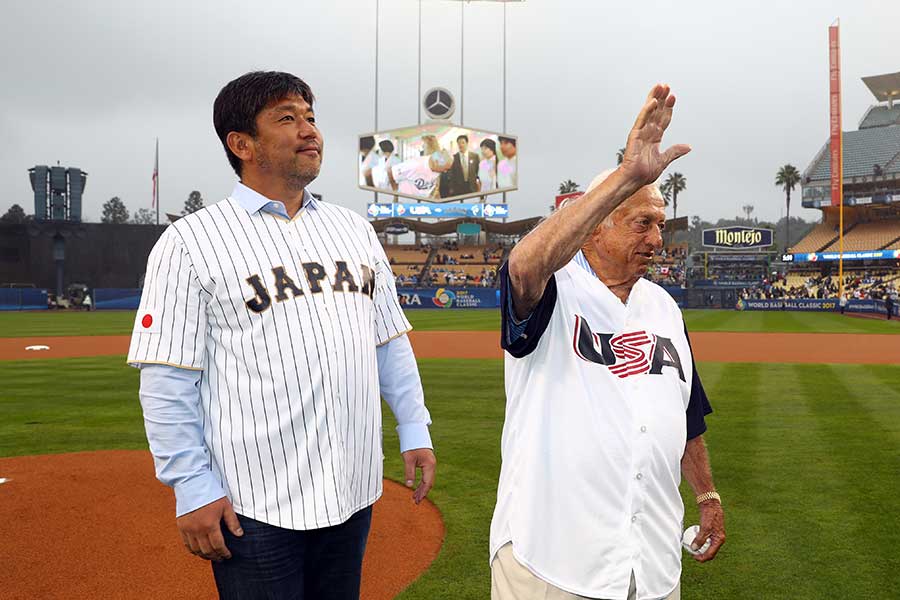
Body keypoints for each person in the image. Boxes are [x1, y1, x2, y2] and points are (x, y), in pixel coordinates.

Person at [128, 71, 436, 600]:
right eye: (287, 118)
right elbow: (167, 378)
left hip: (352, 492)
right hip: (255, 505)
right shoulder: (189, 242)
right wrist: (192, 486)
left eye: (311, 117)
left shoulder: (353, 229)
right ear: (241, 144)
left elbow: (388, 341)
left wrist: (414, 427)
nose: (309, 130)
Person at [491, 85, 725, 600]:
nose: (658, 240)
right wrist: (626, 177)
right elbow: (521, 268)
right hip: (553, 561)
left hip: (652, 566)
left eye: (660, 225)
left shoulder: (663, 307)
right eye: (643, 223)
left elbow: (685, 416)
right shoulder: (555, 288)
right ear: (596, 228)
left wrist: (706, 494)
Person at [392, 134, 451, 199]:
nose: (422, 147)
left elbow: (436, 183)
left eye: (423, 145)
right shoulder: (436, 159)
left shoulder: (433, 162)